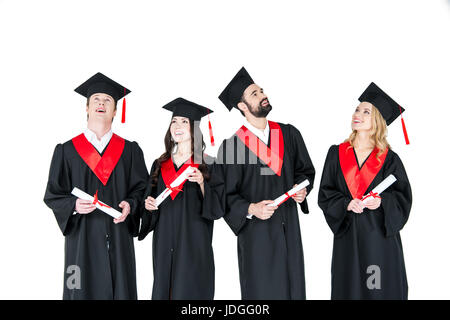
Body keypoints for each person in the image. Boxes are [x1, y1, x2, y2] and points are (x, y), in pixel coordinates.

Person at [43, 72, 148, 299]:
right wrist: (73, 205)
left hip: (119, 238)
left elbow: (143, 190)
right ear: (87, 108)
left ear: (115, 110)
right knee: (77, 287)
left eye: (108, 100)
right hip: (81, 241)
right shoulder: (67, 151)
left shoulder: (130, 151)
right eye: (96, 99)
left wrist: (130, 204)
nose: (101, 103)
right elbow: (53, 195)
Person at [216, 67, 315, 299]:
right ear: (242, 106)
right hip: (256, 237)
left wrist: (303, 189)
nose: (262, 95)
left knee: (294, 289)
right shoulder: (231, 147)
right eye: (254, 93)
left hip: (289, 229)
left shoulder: (289, 134)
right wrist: (251, 208)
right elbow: (224, 195)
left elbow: (305, 171)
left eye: (261, 90)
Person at [318, 82, 412, 300]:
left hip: (378, 240)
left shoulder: (389, 159)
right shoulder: (336, 154)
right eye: (357, 109)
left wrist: (382, 202)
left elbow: (403, 197)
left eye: (366, 111)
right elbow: (326, 193)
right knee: (349, 289)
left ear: (377, 121)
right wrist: (345, 204)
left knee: (376, 289)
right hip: (348, 239)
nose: (357, 114)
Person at [138, 97, 224, 300]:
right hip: (164, 240)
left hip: (194, 242)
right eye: (174, 121)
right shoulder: (159, 164)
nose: (177, 126)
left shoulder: (208, 164)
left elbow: (219, 207)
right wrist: (148, 205)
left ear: (195, 128)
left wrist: (202, 183)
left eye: (184, 121)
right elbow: (148, 201)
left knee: (191, 291)